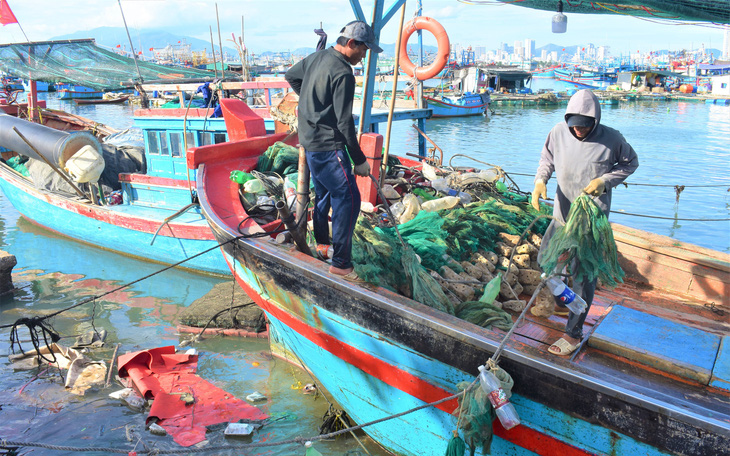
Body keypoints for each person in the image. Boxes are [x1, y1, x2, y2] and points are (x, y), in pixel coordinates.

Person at [531, 89, 639, 356]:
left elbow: (630, 163)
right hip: (562, 214)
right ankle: (561, 300)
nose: (578, 130)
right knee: (546, 262)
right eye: (574, 125)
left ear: (595, 121)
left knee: (582, 275)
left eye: (584, 125)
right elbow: (547, 159)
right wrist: (540, 180)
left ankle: (573, 333)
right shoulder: (558, 132)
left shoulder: (612, 139)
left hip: (591, 221)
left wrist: (605, 181)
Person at [285, 20, 383, 282]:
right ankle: (340, 263)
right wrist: (360, 160)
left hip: (309, 142)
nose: (363, 56)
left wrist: (311, 105)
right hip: (329, 146)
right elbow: (344, 122)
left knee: (325, 192)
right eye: (363, 50)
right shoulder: (343, 73)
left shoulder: (317, 57)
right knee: (348, 197)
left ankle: (321, 242)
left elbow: (291, 76)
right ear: (351, 43)